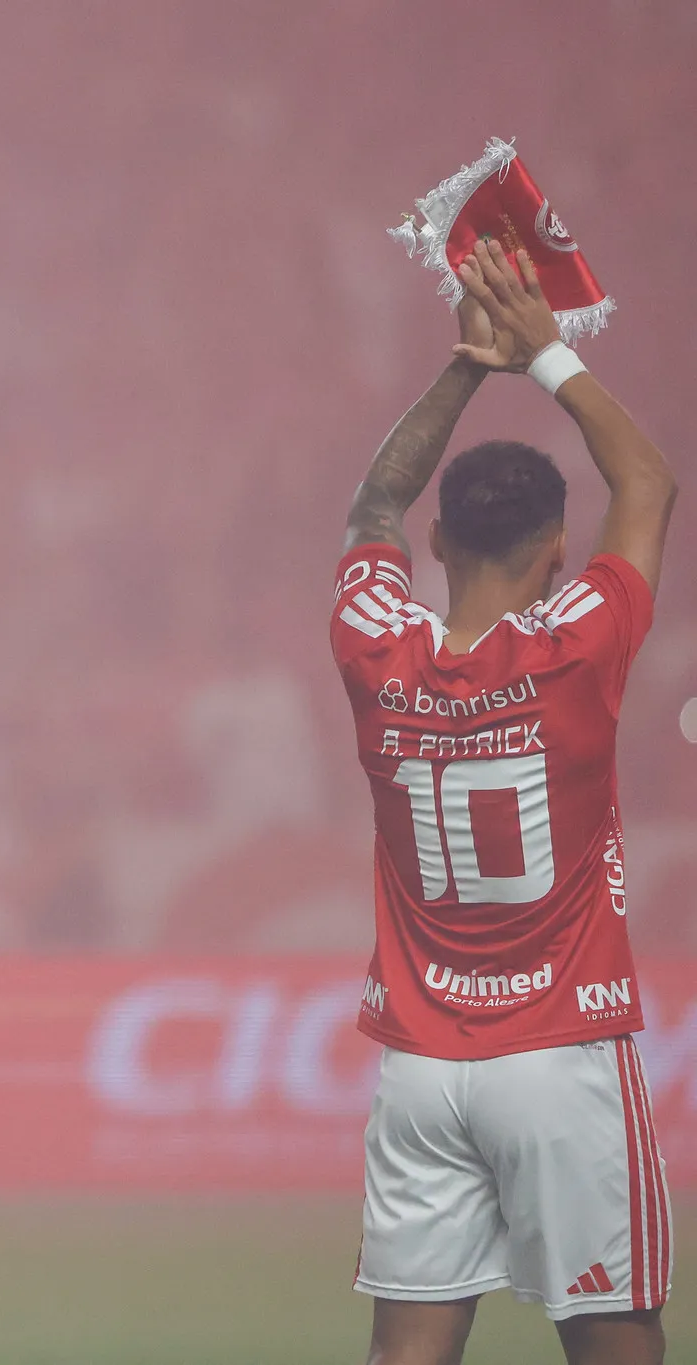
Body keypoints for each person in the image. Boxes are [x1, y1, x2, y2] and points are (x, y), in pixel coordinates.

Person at [334, 239, 678, 1365]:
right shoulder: (577, 650)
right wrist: (546, 354)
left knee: (406, 1352)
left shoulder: (373, 645)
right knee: (613, 1340)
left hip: (422, 1067)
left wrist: (464, 367)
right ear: (558, 552)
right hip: (560, 1053)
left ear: (437, 541)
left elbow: (373, 501)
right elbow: (649, 485)